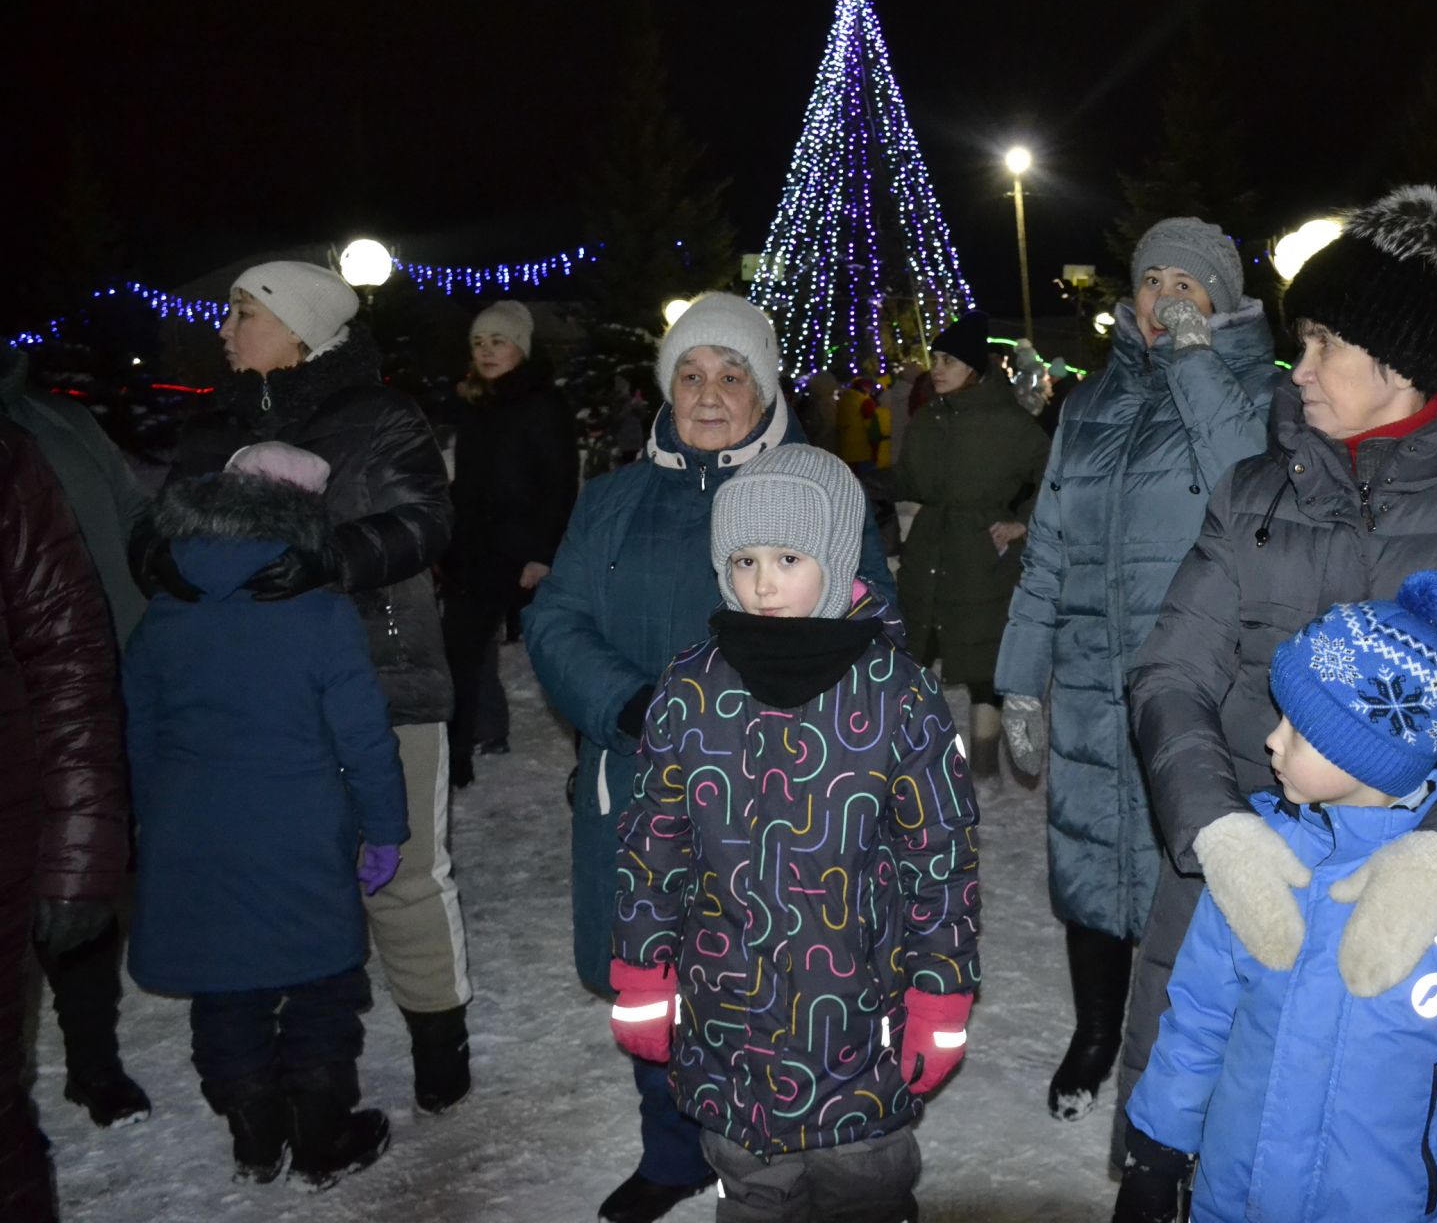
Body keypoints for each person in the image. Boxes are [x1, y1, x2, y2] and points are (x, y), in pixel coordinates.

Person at [1125, 186, 1437, 1165]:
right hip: (1240, 895)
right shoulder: (1252, 494)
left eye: (1322, 344)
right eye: (1296, 341)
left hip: (1409, 927)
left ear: (1398, 363)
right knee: (1194, 1148)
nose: (1296, 369)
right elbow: (1169, 670)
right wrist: (1217, 828)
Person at [523, 293, 896, 1223]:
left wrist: (779, 721)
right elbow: (556, 619)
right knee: (656, 971)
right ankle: (674, 1150)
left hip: (781, 793)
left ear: (765, 388)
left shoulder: (816, 488)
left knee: (780, 977)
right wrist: (632, 704)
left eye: (732, 374)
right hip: (642, 775)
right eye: (690, 374)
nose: (710, 392)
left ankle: (806, 1152)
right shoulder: (610, 500)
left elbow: (868, 615)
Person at [132, 260, 472, 1114]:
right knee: (272, 868)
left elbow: (426, 521)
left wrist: (325, 558)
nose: (225, 327)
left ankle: (439, 1035)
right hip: (257, 697)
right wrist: (168, 562)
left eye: (242, 312)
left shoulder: (379, 414)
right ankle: (286, 1057)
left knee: (401, 876)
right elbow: (157, 534)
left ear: (300, 326)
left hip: (382, 670)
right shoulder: (211, 429)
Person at [607, 444, 979, 1222]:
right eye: (741, 559)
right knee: (751, 1194)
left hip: (857, 1023)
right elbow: (654, 846)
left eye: (786, 556)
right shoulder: (691, 688)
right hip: (728, 1024)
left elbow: (938, 860)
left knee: (864, 1192)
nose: (761, 582)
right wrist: (643, 973)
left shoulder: (897, 696)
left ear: (838, 559)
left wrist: (938, 997)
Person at [1116, 573, 1437, 1223]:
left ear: (1370, 750)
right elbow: (1198, 1017)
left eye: (1301, 728)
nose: (1271, 741)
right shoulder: (1259, 855)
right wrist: (1156, 1153)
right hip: (1231, 1201)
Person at [995, 217, 1281, 1120]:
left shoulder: (1263, 394)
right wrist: (1018, 676)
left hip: (1197, 685)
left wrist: (1198, 363)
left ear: (1223, 301)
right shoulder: (1089, 404)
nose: (1164, 298)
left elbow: (1247, 486)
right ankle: (1093, 1033)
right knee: (1089, 864)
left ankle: (1183, 1050)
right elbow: (1048, 549)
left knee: (1182, 869)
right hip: (1087, 679)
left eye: (1186, 284)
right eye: (1152, 281)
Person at [124, 442, 406, 1189]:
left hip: (192, 830)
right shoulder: (319, 612)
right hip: (301, 826)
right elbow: (364, 737)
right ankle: (321, 1133)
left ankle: (254, 1135)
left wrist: (156, 819)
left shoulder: (163, 612)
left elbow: (140, 731)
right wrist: (383, 828)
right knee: (321, 981)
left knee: (226, 984)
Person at [0, 348, 151, 1129]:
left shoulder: (57, 422)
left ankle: (93, 1066)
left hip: (79, 693)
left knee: (79, 875)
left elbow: (133, 525)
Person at [895, 311, 1051, 775]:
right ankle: (914, 761)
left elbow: (1055, 477)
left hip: (982, 557)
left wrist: (1025, 521)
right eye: (936, 359)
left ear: (974, 369)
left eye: (949, 360)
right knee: (914, 656)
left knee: (984, 661)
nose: (937, 368)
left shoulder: (1011, 423)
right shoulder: (926, 419)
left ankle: (982, 761)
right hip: (928, 552)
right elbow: (907, 480)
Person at [442, 300, 577, 789]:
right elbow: (469, 483)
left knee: (561, 658)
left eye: (498, 341)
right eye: (479, 343)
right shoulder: (477, 404)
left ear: (520, 346)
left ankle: (593, 752)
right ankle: (456, 758)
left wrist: (543, 552)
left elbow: (561, 482)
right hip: (474, 552)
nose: (487, 351)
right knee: (459, 655)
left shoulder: (542, 403)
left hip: (525, 555)